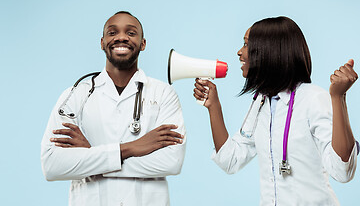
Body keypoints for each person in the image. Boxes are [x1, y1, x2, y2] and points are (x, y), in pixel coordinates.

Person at [193, 16, 358, 205]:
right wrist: (214, 106)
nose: (239, 52)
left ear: (270, 52)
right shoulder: (261, 101)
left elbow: (343, 171)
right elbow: (231, 160)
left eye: (247, 45)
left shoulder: (313, 98)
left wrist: (338, 98)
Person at [41, 11, 186, 206]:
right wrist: (131, 148)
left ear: (143, 44)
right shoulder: (75, 96)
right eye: (112, 32)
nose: (121, 37)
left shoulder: (163, 94)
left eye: (131, 33)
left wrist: (91, 154)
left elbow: (171, 162)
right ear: (102, 42)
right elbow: (52, 165)